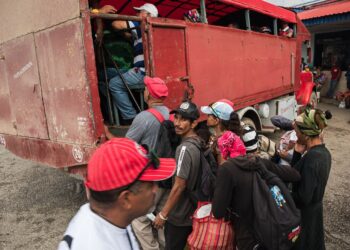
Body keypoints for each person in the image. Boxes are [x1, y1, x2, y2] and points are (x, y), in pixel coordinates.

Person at [57, 138, 176, 250]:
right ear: (126, 199)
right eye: (150, 185)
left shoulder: (113, 218)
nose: (156, 189)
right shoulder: (99, 245)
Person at [211, 149, 301, 249]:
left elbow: (218, 212)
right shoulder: (258, 162)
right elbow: (295, 175)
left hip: (248, 237)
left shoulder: (227, 169)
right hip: (270, 231)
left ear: (224, 153)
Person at [126, 76, 170, 250]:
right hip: (169, 173)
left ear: (149, 95)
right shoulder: (170, 113)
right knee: (162, 214)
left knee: (139, 218)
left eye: (145, 88)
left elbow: (128, 145)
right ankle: (166, 246)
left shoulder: (143, 117)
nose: (143, 91)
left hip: (152, 175)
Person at [153, 101, 201, 250]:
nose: (177, 123)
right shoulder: (198, 142)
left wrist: (163, 214)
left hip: (180, 216)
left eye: (184, 120)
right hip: (191, 212)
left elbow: (179, 186)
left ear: (193, 124)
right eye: (177, 118)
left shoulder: (184, 149)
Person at [108, 3, 159, 125]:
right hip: (139, 70)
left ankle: (130, 116)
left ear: (147, 15)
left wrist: (105, 14)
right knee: (107, 73)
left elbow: (117, 24)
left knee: (114, 84)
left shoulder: (143, 23)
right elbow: (126, 34)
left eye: (139, 12)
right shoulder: (150, 29)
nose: (136, 15)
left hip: (141, 72)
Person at [291, 107, 332, 250]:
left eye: (297, 132)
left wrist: (282, 193)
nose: (295, 135)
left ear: (307, 135)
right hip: (315, 213)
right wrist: (297, 154)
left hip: (305, 218)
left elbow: (303, 197)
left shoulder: (311, 160)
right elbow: (295, 175)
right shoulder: (324, 153)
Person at [201, 99, 245, 164]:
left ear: (217, 120)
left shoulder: (222, 141)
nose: (207, 118)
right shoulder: (228, 136)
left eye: (209, 115)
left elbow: (222, 168)